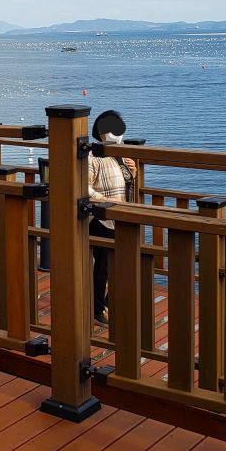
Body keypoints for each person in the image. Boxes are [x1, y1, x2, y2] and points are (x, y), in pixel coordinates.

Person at [87, 109, 137, 325]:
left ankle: (108, 304)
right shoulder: (92, 156)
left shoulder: (121, 154)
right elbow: (84, 187)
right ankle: (97, 309)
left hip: (120, 216)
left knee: (123, 263)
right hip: (101, 217)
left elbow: (126, 184)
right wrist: (105, 202)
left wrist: (133, 172)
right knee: (105, 265)